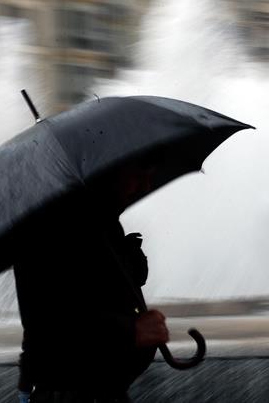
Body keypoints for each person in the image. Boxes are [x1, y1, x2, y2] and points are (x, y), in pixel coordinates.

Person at [14, 164, 169, 402]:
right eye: (137, 174)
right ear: (106, 172)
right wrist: (132, 331)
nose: (145, 186)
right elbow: (50, 317)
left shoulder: (99, 222)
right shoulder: (56, 228)